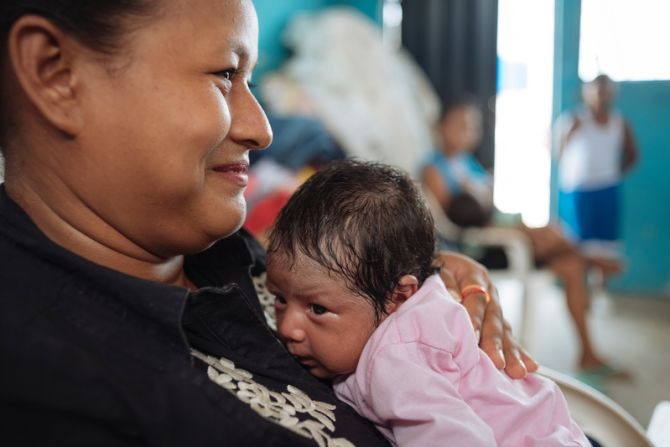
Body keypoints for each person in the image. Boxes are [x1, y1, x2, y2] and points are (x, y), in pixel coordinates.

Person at [0, 1, 537, 444]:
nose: (262, 129)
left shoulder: (230, 251)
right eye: (224, 75)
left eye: (250, 78)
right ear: (56, 75)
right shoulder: (51, 385)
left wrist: (429, 274)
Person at [265, 160, 590, 446]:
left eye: (317, 309)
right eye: (279, 299)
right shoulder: (413, 299)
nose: (289, 328)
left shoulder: (396, 359)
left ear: (398, 295)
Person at [422, 96, 621, 375]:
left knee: (570, 265)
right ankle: (591, 256)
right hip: (481, 245)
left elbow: (488, 198)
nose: (468, 132)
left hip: (499, 230)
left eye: (473, 126)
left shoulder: (467, 163)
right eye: (460, 125)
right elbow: (456, 222)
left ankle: (587, 353)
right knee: (549, 232)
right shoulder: (434, 169)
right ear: (440, 127)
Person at [557, 74, 638, 261]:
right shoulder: (575, 120)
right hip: (581, 191)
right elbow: (561, 152)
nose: (601, 96)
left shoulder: (620, 123)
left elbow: (633, 154)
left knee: (607, 244)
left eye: (606, 91)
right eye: (597, 91)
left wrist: (614, 173)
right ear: (587, 93)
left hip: (608, 189)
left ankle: (601, 286)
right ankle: (584, 285)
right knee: (581, 243)